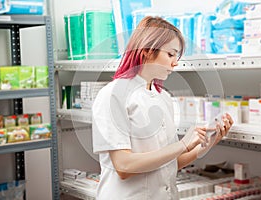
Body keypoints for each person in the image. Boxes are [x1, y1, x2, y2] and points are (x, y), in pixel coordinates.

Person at [92, 16, 233, 200]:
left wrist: (205, 144)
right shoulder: (113, 95)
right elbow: (123, 167)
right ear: (147, 51)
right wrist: (182, 144)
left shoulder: (163, 97)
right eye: (170, 54)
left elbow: (169, 163)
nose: (175, 62)